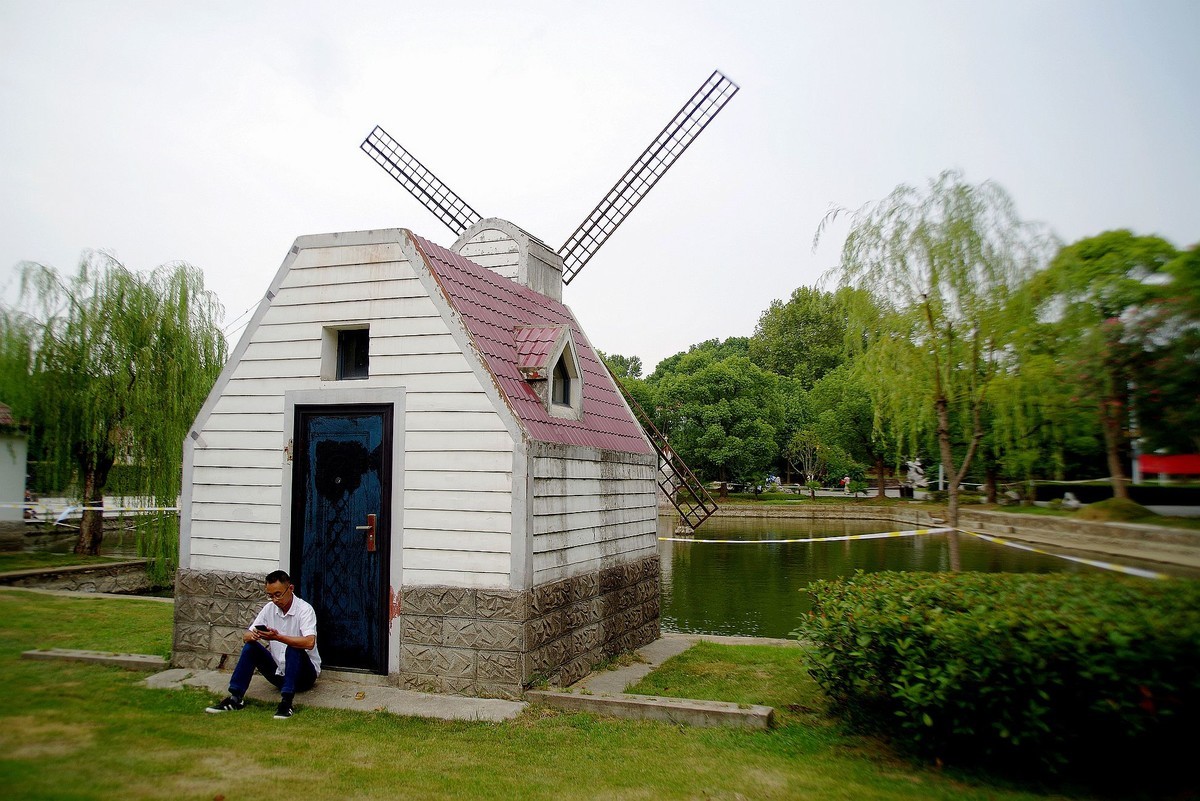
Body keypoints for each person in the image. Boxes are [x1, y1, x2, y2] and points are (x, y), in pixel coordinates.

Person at [205, 569, 321, 719]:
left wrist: (277, 637)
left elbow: (310, 642)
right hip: (279, 673)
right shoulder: (269, 609)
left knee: (294, 648)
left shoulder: (305, 610)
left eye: (278, 594)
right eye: (270, 596)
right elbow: (246, 636)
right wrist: (253, 635)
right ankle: (235, 698)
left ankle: (286, 703)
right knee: (250, 648)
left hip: (304, 676)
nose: (274, 600)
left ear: (290, 589)